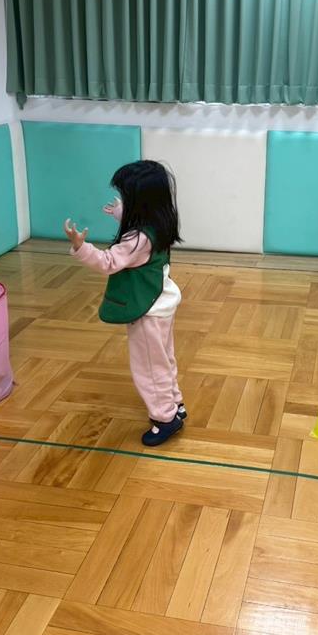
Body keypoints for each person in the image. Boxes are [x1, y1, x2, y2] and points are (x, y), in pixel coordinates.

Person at [64, 160, 186, 446]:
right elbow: (137, 240)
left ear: (139, 202)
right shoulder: (161, 222)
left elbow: (109, 262)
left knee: (149, 367)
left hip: (146, 310)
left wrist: (81, 247)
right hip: (162, 301)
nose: (122, 200)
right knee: (164, 358)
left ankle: (165, 418)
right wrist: (122, 214)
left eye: (126, 197)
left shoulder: (136, 239)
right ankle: (176, 404)